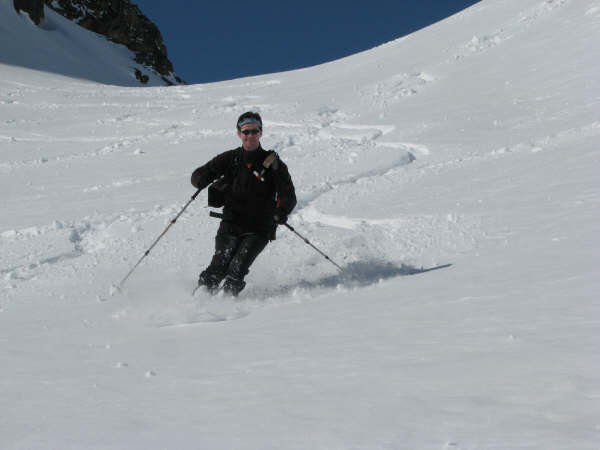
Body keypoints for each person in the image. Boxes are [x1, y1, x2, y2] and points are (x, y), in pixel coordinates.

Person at [190, 112, 297, 296]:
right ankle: (198, 300)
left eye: (254, 131)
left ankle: (227, 308)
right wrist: (201, 179)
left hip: (260, 227)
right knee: (218, 267)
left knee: (236, 269)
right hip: (231, 222)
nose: (250, 135)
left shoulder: (274, 163)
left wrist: (282, 210)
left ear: (260, 133)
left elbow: (288, 194)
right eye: (246, 131)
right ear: (239, 133)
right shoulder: (230, 158)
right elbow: (200, 174)